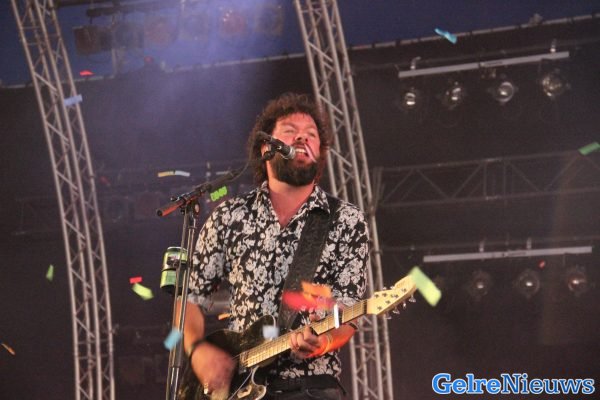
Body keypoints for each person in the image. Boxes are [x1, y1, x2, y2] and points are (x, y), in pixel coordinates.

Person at [178, 92, 369, 400]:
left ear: (320, 153)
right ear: (266, 147)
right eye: (291, 131)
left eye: (311, 135)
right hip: (240, 388)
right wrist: (197, 349)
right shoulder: (230, 216)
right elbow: (191, 297)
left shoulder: (346, 220)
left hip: (311, 387)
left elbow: (347, 313)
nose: (303, 139)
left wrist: (323, 341)